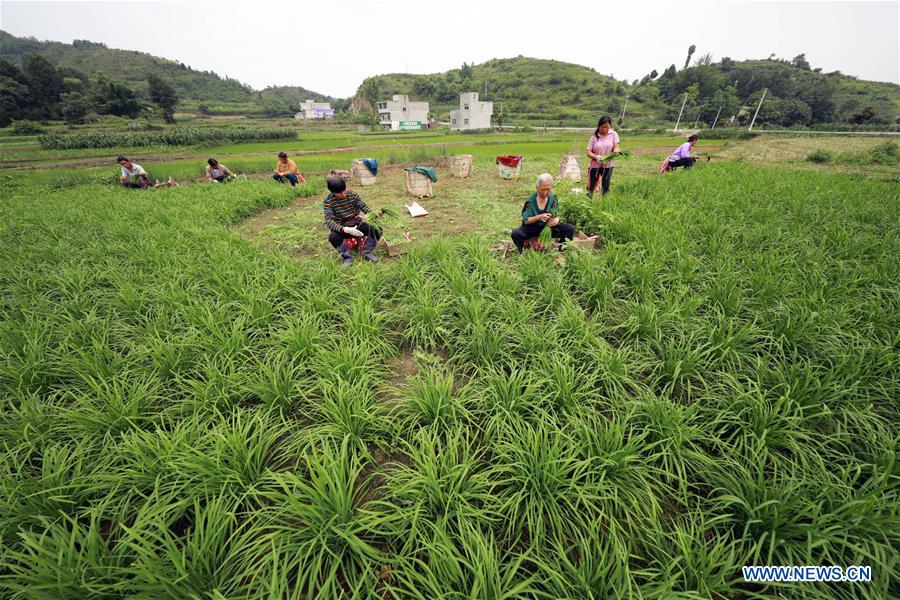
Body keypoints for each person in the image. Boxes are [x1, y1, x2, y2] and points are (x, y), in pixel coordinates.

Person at [323, 173, 381, 265]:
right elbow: (329, 221)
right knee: (333, 237)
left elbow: (365, 208)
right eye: (339, 193)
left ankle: (366, 252)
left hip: (356, 223)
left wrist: (373, 214)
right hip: (342, 227)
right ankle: (346, 257)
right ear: (332, 192)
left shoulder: (353, 195)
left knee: (377, 230)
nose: (343, 194)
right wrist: (345, 229)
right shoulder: (328, 201)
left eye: (344, 190)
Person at [511, 173, 576, 252]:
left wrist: (556, 220)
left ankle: (562, 252)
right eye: (542, 189)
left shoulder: (553, 198)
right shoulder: (531, 201)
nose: (545, 192)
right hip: (533, 228)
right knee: (515, 233)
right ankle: (524, 250)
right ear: (537, 188)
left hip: (548, 228)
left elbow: (557, 214)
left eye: (548, 189)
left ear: (551, 187)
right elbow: (526, 220)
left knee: (569, 228)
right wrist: (539, 217)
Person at [585, 116, 620, 196]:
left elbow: (616, 146)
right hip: (595, 165)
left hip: (608, 165)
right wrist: (596, 157)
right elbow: (588, 152)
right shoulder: (594, 137)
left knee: (606, 186)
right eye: (602, 127)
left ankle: (604, 203)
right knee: (591, 186)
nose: (604, 129)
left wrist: (615, 152)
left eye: (607, 127)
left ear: (610, 126)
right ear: (599, 126)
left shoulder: (613, 134)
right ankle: (588, 202)